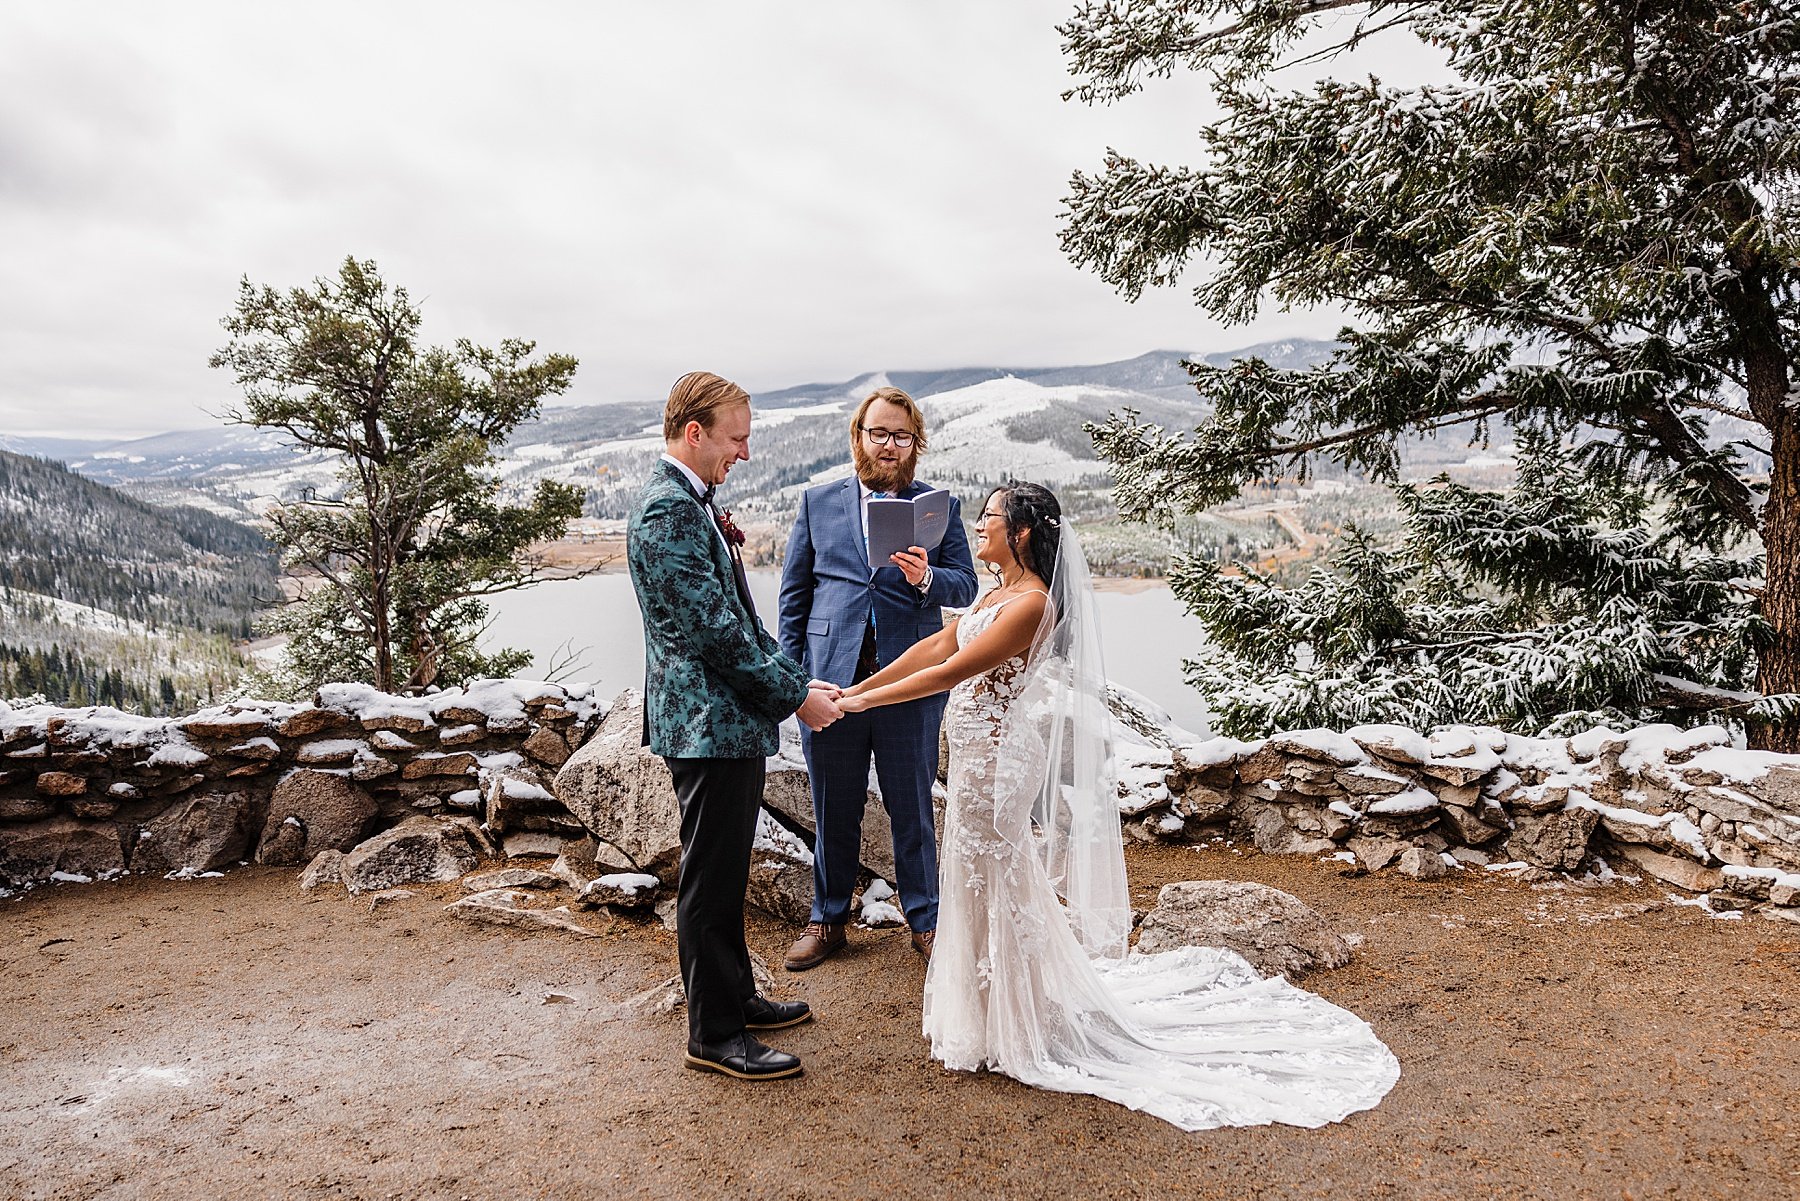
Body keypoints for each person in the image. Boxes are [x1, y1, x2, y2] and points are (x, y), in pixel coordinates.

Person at [833, 481, 1401, 1130]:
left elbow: (950, 673)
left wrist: (862, 704)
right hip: (972, 754)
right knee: (972, 874)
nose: (978, 526)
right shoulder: (994, 591)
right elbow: (934, 647)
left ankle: (1020, 1021)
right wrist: (861, 686)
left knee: (997, 876)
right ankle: (991, 1015)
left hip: (998, 761)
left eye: (989, 517)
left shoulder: (1032, 604)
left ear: (1020, 533)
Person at [627, 370, 844, 1082]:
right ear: (696, 432)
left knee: (723, 872)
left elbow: (738, 624)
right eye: (737, 438)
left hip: (723, 722)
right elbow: (716, 634)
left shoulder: (693, 503)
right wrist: (797, 699)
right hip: (706, 726)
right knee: (710, 879)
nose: (744, 452)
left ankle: (737, 996)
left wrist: (790, 676)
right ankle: (714, 1034)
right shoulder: (668, 512)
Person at [777, 386, 978, 970]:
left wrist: (925, 581)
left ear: (915, 444)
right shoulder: (817, 502)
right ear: (857, 437)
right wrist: (795, 682)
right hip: (831, 683)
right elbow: (794, 598)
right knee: (832, 805)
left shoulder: (940, 507)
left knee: (911, 806)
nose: (889, 446)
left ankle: (926, 922)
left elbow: (965, 585)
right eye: (879, 434)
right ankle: (829, 919)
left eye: (902, 436)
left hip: (908, 683)